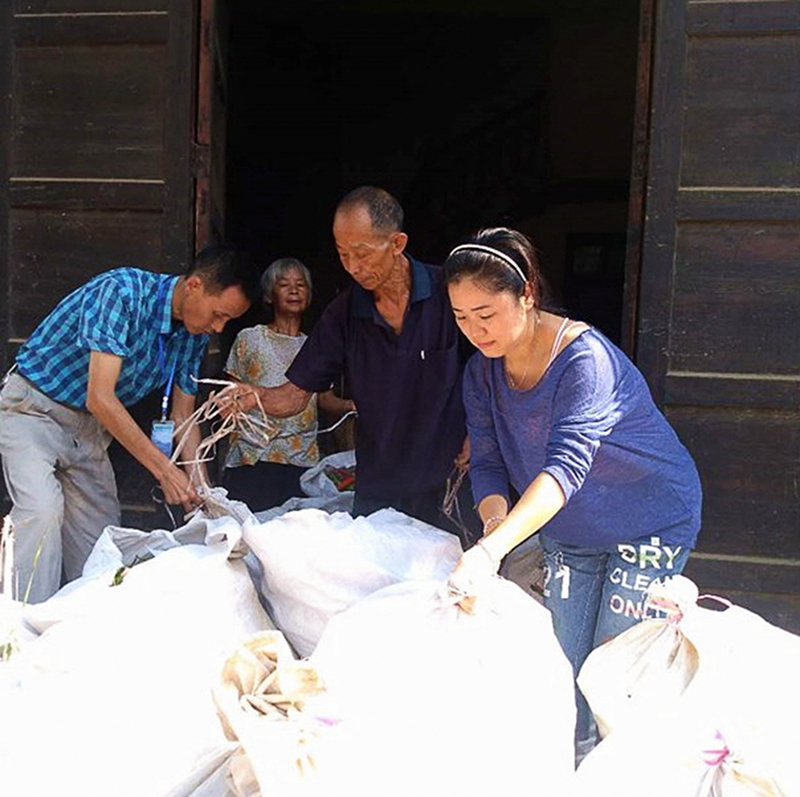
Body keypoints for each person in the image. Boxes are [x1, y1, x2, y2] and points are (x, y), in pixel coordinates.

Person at [443, 227, 702, 762]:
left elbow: (564, 469)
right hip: (569, 529)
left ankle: (615, 776)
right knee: (558, 668)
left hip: (648, 521)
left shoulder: (585, 361)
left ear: (527, 296)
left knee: (611, 675)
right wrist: (496, 530)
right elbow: (487, 463)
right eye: (461, 318)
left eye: (486, 315)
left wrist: (492, 552)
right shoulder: (481, 373)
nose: (475, 331)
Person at [0, 245, 258, 603]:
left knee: (102, 540)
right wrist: (166, 472)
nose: (218, 327)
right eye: (219, 315)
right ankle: (17, 632)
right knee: (41, 512)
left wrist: (202, 491)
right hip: (33, 409)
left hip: (88, 430)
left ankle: (81, 631)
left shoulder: (191, 336)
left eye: (226, 322)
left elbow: (184, 415)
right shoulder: (121, 292)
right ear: (195, 286)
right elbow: (101, 397)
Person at [221, 186, 473, 531]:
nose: (353, 267)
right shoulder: (343, 315)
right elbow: (295, 394)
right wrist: (256, 396)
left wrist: (479, 433)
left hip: (451, 480)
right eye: (343, 254)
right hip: (379, 488)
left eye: (362, 253)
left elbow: (492, 367)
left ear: (397, 243)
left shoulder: (450, 292)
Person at [222, 257, 354, 511]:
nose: (294, 290)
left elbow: (323, 399)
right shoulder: (250, 339)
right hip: (254, 459)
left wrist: (353, 405)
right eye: (284, 284)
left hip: (301, 461)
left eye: (301, 285)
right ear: (269, 296)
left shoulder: (315, 347)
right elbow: (231, 397)